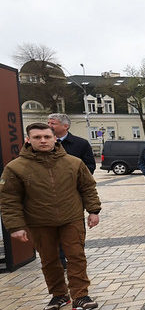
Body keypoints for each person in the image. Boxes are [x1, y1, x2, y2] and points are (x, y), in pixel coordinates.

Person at [0, 122, 101, 310]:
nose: (43, 141)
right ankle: (59, 294)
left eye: (47, 137)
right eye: (37, 137)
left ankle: (80, 296)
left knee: (76, 257)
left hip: (71, 218)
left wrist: (93, 211)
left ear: (55, 138)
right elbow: (9, 199)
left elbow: (88, 187)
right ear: (28, 140)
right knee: (49, 260)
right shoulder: (16, 168)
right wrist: (15, 226)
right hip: (39, 222)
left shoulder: (73, 162)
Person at [48, 113, 96, 269]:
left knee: (73, 229)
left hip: (73, 195)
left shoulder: (80, 144)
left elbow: (89, 167)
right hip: (48, 196)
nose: (49, 125)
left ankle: (75, 259)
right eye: (48, 122)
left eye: (53, 123)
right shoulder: (42, 144)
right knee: (52, 230)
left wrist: (72, 180)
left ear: (65, 126)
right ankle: (60, 261)